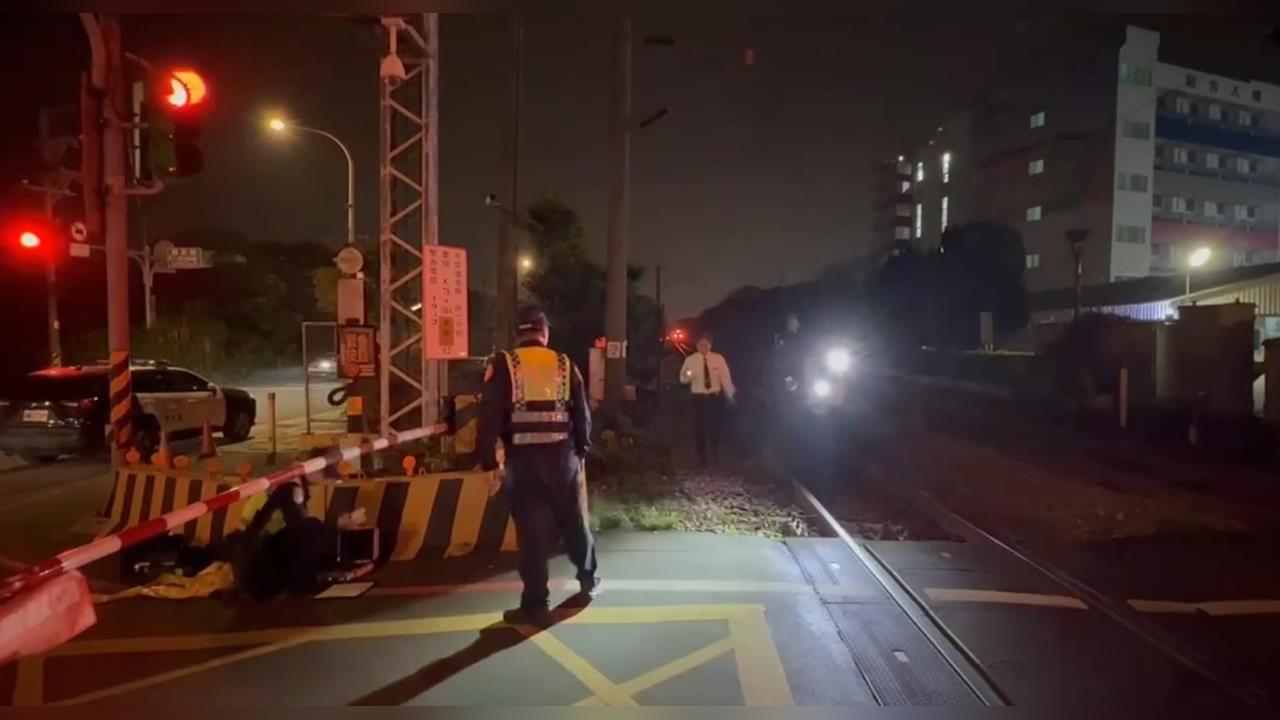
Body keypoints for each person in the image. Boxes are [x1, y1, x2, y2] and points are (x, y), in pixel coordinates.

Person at [478, 306, 600, 626]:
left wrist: (488, 461)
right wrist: (582, 450)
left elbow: (489, 415)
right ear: (544, 332)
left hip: (523, 462)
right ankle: (587, 579)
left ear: (518, 333)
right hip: (563, 459)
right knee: (574, 522)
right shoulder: (565, 363)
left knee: (532, 535)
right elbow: (582, 413)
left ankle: (536, 604)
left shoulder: (504, 364)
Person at [679, 334, 736, 467]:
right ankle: (702, 457)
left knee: (715, 427)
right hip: (699, 398)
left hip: (714, 398)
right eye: (700, 345)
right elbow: (683, 379)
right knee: (700, 428)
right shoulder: (690, 360)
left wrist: (731, 395)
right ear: (697, 345)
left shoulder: (718, 359)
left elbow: (725, 378)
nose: (703, 347)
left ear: (710, 345)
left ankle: (715, 455)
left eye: (705, 345)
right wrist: (688, 374)